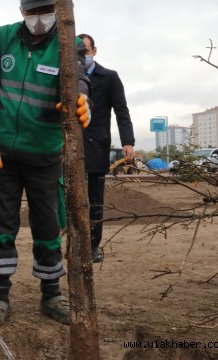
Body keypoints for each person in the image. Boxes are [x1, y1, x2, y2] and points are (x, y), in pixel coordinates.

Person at [0, 0, 91, 326]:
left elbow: (80, 79)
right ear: (22, 10)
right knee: (0, 224)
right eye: (30, 12)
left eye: (44, 10)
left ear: (57, 8)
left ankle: (52, 294)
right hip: (3, 156)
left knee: (48, 225)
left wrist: (83, 99)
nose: (37, 19)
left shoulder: (70, 40)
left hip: (45, 154)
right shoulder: (1, 37)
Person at [77, 33, 135, 263]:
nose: (83, 56)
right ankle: (73, 242)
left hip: (96, 147)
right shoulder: (66, 76)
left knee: (95, 201)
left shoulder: (109, 77)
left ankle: (92, 246)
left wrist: (128, 142)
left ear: (94, 51)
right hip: (68, 149)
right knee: (67, 198)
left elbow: (122, 110)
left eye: (86, 51)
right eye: (78, 53)